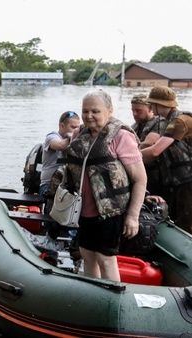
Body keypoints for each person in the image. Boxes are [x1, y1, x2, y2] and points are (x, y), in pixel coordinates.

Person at [61, 90, 146, 281]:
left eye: (95, 111)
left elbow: (140, 179)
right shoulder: (78, 133)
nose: (89, 116)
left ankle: (111, 301)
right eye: (85, 111)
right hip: (83, 210)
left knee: (105, 258)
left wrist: (133, 217)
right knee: (87, 255)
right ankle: (94, 297)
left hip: (110, 211)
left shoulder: (121, 136)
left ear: (109, 111)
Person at [140, 86, 192, 233]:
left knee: (185, 223)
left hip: (188, 180)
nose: (150, 107)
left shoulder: (179, 122)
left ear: (159, 104)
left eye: (152, 103)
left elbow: (156, 151)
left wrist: (130, 156)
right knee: (176, 218)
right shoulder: (169, 121)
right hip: (180, 180)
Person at [129, 93, 167, 196]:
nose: (135, 114)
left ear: (150, 108)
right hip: (139, 172)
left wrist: (126, 151)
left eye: (139, 110)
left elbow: (148, 144)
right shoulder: (134, 126)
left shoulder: (159, 123)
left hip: (157, 176)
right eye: (133, 110)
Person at [39, 110, 80, 204]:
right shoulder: (51, 137)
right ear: (62, 126)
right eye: (73, 127)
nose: (76, 131)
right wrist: (76, 136)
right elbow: (61, 146)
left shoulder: (76, 139)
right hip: (48, 186)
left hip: (66, 187)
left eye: (78, 128)